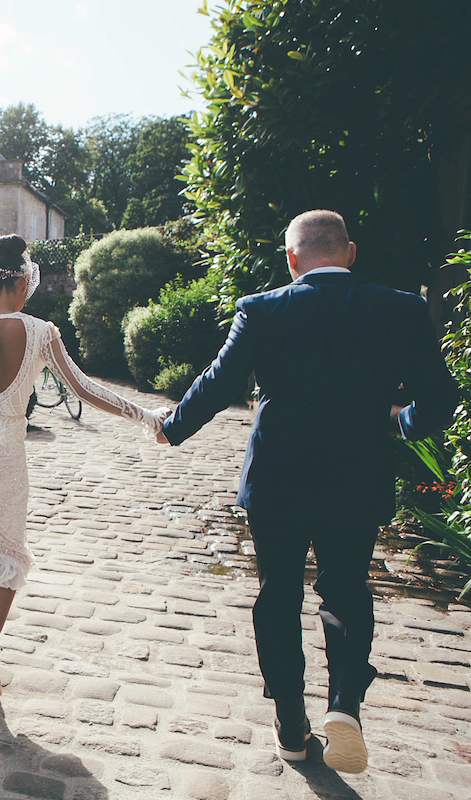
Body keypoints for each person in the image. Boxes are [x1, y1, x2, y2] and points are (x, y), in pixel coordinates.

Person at [160, 210, 457, 773]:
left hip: (278, 480)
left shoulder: (263, 308)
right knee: (345, 591)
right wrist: (400, 421)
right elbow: (440, 399)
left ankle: (292, 728)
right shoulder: (401, 309)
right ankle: (344, 702)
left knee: (278, 598)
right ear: (349, 252)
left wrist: (172, 426)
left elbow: (220, 382)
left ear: (292, 260)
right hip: (357, 477)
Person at [0, 233, 166, 697]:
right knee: (9, 558)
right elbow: (83, 389)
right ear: (23, 283)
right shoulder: (42, 332)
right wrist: (144, 415)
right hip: (1, 456)